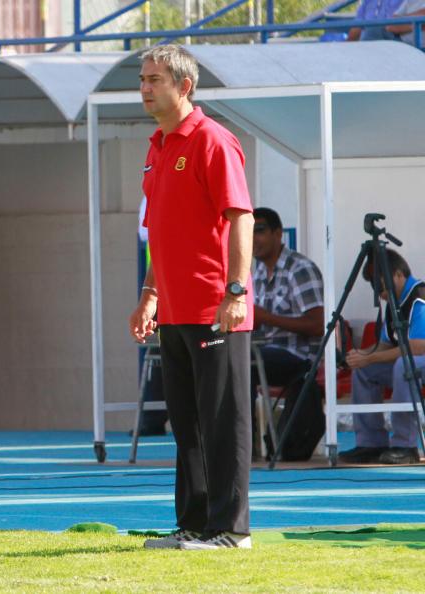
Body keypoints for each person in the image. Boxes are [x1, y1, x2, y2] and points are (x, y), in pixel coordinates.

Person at [129, 45, 254, 551]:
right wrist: (149, 296)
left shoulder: (212, 141)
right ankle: (196, 524)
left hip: (213, 307)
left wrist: (236, 292)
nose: (145, 87)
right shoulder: (157, 144)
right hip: (174, 310)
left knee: (223, 421)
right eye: (142, 79)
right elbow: (159, 232)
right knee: (187, 424)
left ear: (184, 86)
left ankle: (231, 530)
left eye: (155, 79)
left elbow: (240, 217)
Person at [339, 249, 425, 465]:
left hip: (417, 357)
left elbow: (417, 346)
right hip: (409, 359)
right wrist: (362, 355)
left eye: (381, 284)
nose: (380, 292)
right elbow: (387, 343)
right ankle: (370, 443)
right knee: (363, 370)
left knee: (403, 365)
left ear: (397, 274)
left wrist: (370, 358)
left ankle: (405, 445)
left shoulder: (419, 298)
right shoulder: (393, 303)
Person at [251, 207, 324, 413]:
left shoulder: (299, 269)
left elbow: (318, 326)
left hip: (300, 358)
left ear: (278, 233)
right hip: (266, 351)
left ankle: (245, 440)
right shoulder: (258, 272)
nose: (253, 238)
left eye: (259, 230)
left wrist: (266, 317)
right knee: (221, 354)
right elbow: (259, 320)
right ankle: (243, 440)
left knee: (242, 365)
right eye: (247, 232)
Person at [134, 195, 168, 437]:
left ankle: (152, 419)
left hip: (168, 286)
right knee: (157, 351)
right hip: (158, 287)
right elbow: (147, 235)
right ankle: (151, 419)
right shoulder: (152, 193)